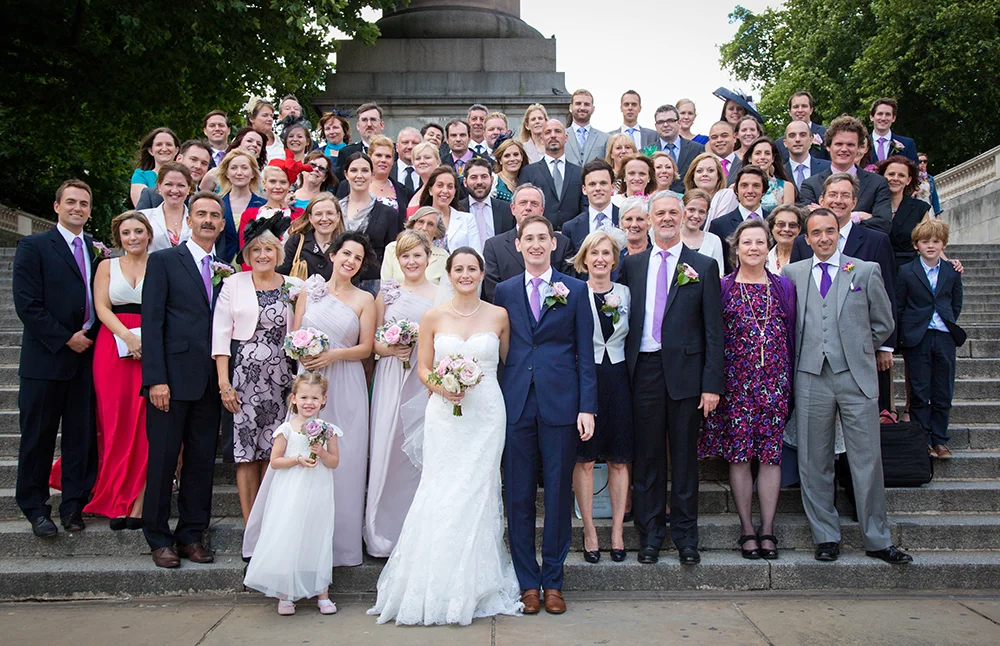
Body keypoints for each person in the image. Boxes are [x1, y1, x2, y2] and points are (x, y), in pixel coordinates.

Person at [368, 247, 523, 625]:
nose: (466, 274)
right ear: (449, 275)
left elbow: (506, 363)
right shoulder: (433, 316)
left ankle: (478, 581)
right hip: (444, 412)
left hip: (486, 413)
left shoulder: (499, 316)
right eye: (459, 269)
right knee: (441, 488)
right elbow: (422, 368)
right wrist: (441, 385)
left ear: (482, 273)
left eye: (472, 268)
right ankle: (434, 581)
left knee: (479, 489)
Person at [781, 209, 912, 565]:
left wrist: (858, 348)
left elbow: (883, 321)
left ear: (839, 233)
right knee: (813, 459)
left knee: (866, 458)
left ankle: (877, 538)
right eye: (815, 233)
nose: (823, 238)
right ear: (806, 239)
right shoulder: (792, 274)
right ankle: (825, 535)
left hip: (855, 376)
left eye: (829, 231)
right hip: (810, 375)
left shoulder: (864, 270)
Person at [493, 214, 596, 614]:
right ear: (517, 245)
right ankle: (526, 584)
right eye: (528, 238)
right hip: (515, 403)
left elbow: (586, 354)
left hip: (561, 403)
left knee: (556, 494)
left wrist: (587, 406)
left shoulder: (574, 288)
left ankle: (553, 581)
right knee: (517, 495)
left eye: (543, 238)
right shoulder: (502, 291)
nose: (536, 244)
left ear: (554, 244)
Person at [618, 190, 724, 566]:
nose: (665, 218)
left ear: (683, 217)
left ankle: (685, 537)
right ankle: (649, 537)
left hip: (687, 376)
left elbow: (714, 330)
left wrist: (712, 384)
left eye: (671, 212)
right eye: (658, 213)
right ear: (648, 219)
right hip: (643, 370)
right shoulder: (632, 265)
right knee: (647, 460)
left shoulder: (704, 266)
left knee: (683, 460)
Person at [699, 219, 795, 560]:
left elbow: (793, 332)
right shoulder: (723, 286)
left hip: (775, 383)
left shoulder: (783, 287)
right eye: (746, 242)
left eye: (759, 242)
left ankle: (768, 528)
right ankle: (747, 528)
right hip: (736, 385)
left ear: (768, 246)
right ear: (735, 248)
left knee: (770, 456)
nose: (753, 248)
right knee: (739, 456)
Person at [141, 191, 226, 568]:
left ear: (222, 225)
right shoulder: (163, 261)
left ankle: (192, 534)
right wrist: (156, 379)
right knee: (162, 459)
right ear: (189, 220)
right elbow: (152, 321)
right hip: (171, 382)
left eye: (215, 216)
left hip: (210, 381)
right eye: (202, 214)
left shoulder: (227, 269)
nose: (208, 220)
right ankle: (159, 537)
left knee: (201, 461)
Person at [13, 179, 99, 537]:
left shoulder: (97, 251)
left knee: (80, 437)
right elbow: (27, 305)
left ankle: (73, 506)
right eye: (71, 202)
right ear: (57, 206)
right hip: (46, 359)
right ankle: (35, 508)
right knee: (38, 437)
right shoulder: (34, 246)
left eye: (84, 203)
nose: (77, 208)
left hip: (86, 361)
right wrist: (66, 338)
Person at [292, 231, 377, 567]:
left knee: (347, 460)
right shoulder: (309, 292)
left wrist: (333, 355)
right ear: (333, 255)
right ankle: (304, 542)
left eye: (357, 258)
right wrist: (306, 362)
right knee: (305, 457)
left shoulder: (364, 300)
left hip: (348, 382)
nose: (350, 261)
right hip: (310, 385)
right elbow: (295, 337)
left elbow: (366, 348)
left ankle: (342, 545)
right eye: (345, 253)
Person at [789, 173, 897, 412]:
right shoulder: (801, 243)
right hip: (814, 364)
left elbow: (887, 293)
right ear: (822, 199)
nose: (838, 200)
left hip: (857, 361)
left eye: (845, 195)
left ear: (854, 202)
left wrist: (883, 346)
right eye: (833, 195)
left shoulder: (876, 240)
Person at [213, 219, 296, 524]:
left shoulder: (292, 286)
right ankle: (251, 525)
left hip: (282, 380)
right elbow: (221, 335)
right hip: (244, 378)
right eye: (256, 250)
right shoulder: (233, 284)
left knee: (273, 450)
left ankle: (270, 521)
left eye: (269, 249)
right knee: (246, 451)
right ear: (247, 256)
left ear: (278, 253)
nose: (263, 255)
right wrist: (224, 382)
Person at [75, 211, 152, 530]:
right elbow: (102, 307)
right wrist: (128, 337)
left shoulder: (161, 266)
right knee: (114, 420)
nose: (132, 237)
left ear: (149, 234)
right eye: (126, 233)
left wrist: (145, 340)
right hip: (113, 345)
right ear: (118, 237)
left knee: (145, 422)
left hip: (151, 345)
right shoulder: (106, 266)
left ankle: (139, 500)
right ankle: (112, 494)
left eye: (138, 231)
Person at [242, 372, 342, 616]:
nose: (310, 402)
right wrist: (297, 459)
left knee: (317, 535)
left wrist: (321, 452)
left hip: (317, 489)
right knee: (290, 534)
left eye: (315, 398)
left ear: (324, 400)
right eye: (304, 397)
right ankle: (285, 594)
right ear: (294, 398)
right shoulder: (285, 429)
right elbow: (275, 462)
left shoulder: (328, 430)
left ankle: (322, 593)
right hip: (291, 490)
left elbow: (334, 462)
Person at [364, 231, 438, 557]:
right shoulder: (388, 294)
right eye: (405, 256)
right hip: (391, 375)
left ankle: (418, 531)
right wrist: (392, 348)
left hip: (422, 379)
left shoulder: (440, 294)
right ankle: (382, 530)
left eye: (417, 255)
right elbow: (373, 343)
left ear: (428, 257)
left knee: (418, 452)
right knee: (387, 447)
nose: (411, 262)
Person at [570, 231, 632, 564]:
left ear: (614, 257)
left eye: (606, 252)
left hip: (619, 378)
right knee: (586, 458)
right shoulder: (574, 292)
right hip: (586, 379)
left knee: (619, 458)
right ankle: (590, 530)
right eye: (594, 252)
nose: (600, 259)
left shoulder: (625, 293)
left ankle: (619, 531)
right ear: (584, 257)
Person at [897, 220, 965, 459]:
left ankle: (940, 439)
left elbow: (956, 302)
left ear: (943, 244)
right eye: (925, 242)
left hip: (944, 335)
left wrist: (948, 320)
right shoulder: (906, 271)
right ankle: (922, 438)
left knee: (943, 389)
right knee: (919, 389)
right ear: (916, 245)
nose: (931, 246)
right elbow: (900, 304)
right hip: (918, 336)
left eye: (936, 242)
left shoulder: (951, 271)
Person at [797, 115, 893, 234]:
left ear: (859, 148)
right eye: (838, 144)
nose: (844, 149)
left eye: (850, 145)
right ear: (828, 146)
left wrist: (825, 212)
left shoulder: (877, 183)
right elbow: (806, 224)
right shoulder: (811, 184)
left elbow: (883, 224)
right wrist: (859, 216)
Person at [482, 184, 575, 301]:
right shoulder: (494, 246)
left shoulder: (562, 243)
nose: (528, 208)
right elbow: (493, 292)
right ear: (513, 209)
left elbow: (568, 284)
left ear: (542, 210)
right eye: (523, 203)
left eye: (534, 204)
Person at [339, 153, 401, 294]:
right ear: (346, 174)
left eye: (365, 170)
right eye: (354, 170)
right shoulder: (334, 210)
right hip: (338, 280)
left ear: (372, 175)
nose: (359, 175)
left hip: (373, 284)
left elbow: (392, 252)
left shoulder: (388, 213)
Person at [518, 119, 588, 230]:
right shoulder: (528, 172)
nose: (553, 135)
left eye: (557, 131)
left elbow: (585, 208)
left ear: (566, 137)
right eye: (548, 132)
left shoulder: (580, 172)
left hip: (573, 238)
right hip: (539, 235)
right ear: (542, 139)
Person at [238, 165, 306, 263]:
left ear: (289, 185)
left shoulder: (299, 215)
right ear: (264, 184)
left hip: (288, 274)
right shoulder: (249, 214)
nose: (277, 187)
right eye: (272, 181)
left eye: (283, 182)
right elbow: (245, 252)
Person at [709, 165, 769, 272]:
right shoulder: (719, 225)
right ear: (736, 190)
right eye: (744, 186)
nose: (750, 191)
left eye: (756, 185)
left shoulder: (774, 222)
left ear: (763, 190)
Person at [878, 155, 932, 271]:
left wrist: (947, 262)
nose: (895, 178)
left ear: (908, 180)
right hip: (876, 269)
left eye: (901, 175)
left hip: (908, 271)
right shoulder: (870, 206)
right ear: (882, 177)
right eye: (891, 174)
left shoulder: (920, 209)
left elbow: (928, 242)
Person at [277, 193, 345, 280]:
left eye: (330, 213)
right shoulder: (296, 241)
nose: (324, 218)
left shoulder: (345, 245)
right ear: (310, 218)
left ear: (338, 216)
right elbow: (280, 276)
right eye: (318, 214)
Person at [562, 159, 620, 256]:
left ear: (613, 187)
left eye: (603, 183)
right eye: (592, 184)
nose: (598, 188)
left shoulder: (626, 219)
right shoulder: (570, 228)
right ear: (584, 189)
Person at [218, 149, 266, 263]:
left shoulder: (263, 206)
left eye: (244, 168)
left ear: (253, 173)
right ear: (227, 173)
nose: (239, 172)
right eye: (234, 168)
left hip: (252, 265)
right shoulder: (217, 204)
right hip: (221, 265)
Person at [137, 140, 213, 209]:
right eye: (193, 159)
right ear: (179, 159)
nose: (198, 166)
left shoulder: (209, 201)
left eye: (204, 163)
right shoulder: (151, 196)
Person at [381, 207, 449, 284]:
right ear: (413, 225)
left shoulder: (443, 256)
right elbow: (385, 284)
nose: (424, 228)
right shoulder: (393, 248)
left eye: (430, 224)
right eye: (420, 222)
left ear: (437, 231)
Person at [459, 157, 516, 246]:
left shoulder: (507, 210)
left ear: (492, 180)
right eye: (474, 177)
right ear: (465, 182)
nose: (479, 182)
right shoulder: (456, 210)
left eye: (484, 177)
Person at [419, 165, 475, 252]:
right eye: (440, 185)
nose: (445, 191)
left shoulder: (468, 220)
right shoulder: (416, 220)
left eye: (450, 187)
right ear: (430, 190)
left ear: (454, 191)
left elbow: (477, 254)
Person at [141, 162, 193, 253]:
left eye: (181, 185)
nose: (174, 190)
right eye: (169, 184)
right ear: (159, 186)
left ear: (188, 189)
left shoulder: (197, 219)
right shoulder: (144, 218)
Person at [130, 127, 180, 206]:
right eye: (159, 144)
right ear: (151, 151)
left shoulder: (184, 177)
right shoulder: (141, 176)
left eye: (169, 144)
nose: (164, 148)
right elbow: (143, 205)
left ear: (176, 150)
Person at [742, 137, 796, 210]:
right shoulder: (736, 187)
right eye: (758, 153)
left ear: (772, 158)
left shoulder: (786, 187)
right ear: (750, 158)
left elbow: (788, 216)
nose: (762, 157)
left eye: (767, 153)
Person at [336, 102, 386, 177]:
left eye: (373, 119)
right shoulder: (346, 153)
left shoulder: (394, 152)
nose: (369, 124)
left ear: (382, 125)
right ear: (358, 126)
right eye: (364, 120)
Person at [684, 153, 734, 227]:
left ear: (718, 176)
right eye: (699, 171)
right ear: (693, 176)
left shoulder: (728, 196)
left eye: (710, 170)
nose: (705, 174)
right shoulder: (682, 202)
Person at [680, 189, 724, 273]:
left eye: (701, 212)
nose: (696, 216)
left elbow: (718, 274)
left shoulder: (713, 240)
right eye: (691, 210)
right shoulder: (672, 238)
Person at [776, 91, 829, 161]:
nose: (800, 110)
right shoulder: (779, 144)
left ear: (811, 110)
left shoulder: (826, 133)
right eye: (796, 107)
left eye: (804, 106)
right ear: (790, 112)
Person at [782, 121, 832, 192]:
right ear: (785, 143)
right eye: (792, 135)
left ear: (811, 140)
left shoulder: (827, 168)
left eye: (803, 135)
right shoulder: (780, 173)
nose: (797, 139)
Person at [565, 89, 609, 167]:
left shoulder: (605, 138)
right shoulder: (560, 136)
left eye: (586, 104)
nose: (582, 108)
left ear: (593, 109)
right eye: (578, 104)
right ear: (571, 107)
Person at [869, 97, 919, 163]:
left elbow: (914, 171)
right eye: (880, 114)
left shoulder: (907, 144)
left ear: (893, 118)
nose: (883, 118)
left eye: (888, 114)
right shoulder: (861, 143)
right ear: (872, 117)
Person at [405, 141, 442, 217]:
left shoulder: (442, 188)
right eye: (418, 158)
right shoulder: (416, 191)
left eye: (427, 157)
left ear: (438, 161)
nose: (422, 161)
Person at [765, 204, 804, 274]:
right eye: (781, 224)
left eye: (792, 225)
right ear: (771, 228)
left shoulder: (807, 258)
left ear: (799, 229)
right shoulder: (764, 257)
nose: (786, 229)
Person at [492, 137, 529, 202]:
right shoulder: (493, 182)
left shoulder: (527, 180)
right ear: (500, 160)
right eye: (507, 156)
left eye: (516, 154)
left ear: (522, 157)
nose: (512, 159)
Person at [393, 127, 423, 195]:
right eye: (405, 142)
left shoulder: (430, 174)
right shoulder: (388, 172)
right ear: (397, 147)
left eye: (415, 143)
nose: (410, 147)